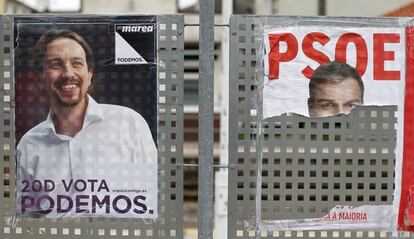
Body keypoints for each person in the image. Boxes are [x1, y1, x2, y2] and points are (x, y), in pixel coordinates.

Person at [16, 29, 157, 218]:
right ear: (41, 78)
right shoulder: (29, 145)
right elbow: (28, 220)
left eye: (77, 63)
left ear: (89, 74)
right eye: (56, 64)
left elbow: (153, 203)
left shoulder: (129, 125)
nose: (68, 73)